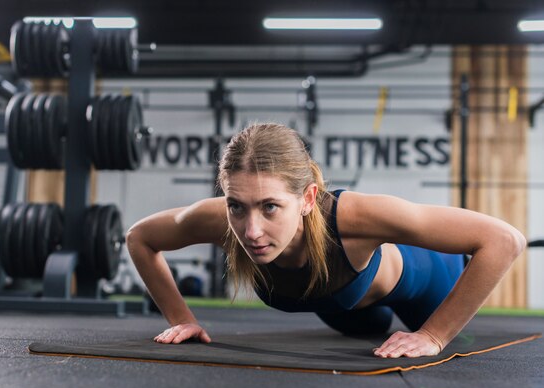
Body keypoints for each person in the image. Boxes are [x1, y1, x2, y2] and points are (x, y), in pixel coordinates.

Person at [126, 123, 526, 359]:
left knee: (441, 341)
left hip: (425, 278)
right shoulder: (220, 220)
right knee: (368, 330)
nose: (250, 231)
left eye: (269, 207)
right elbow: (141, 238)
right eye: (237, 206)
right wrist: (182, 319)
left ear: (308, 198)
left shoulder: (354, 218)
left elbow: (503, 240)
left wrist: (433, 335)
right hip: (344, 307)